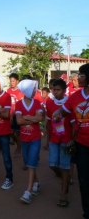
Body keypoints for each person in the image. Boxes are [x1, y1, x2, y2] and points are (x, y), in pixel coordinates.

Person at [54, 63, 89, 218]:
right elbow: (63, 111)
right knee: (84, 180)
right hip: (81, 145)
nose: (77, 78)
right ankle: (87, 212)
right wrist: (57, 113)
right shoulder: (75, 97)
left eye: (81, 75)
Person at [15, 79, 44, 204]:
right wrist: (32, 119)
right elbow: (18, 121)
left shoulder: (37, 103)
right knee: (28, 163)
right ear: (27, 90)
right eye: (33, 89)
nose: (35, 91)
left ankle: (28, 191)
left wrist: (26, 117)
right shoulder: (19, 104)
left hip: (35, 139)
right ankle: (36, 182)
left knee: (31, 163)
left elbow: (40, 117)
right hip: (24, 139)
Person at [45, 79, 72, 207]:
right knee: (52, 164)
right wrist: (47, 139)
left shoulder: (70, 102)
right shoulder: (49, 102)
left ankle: (64, 194)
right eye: (53, 90)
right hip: (54, 139)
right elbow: (49, 122)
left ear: (64, 90)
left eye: (58, 90)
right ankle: (64, 178)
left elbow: (74, 123)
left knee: (65, 166)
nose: (55, 92)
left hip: (66, 139)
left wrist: (72, 139)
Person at [7, 73, 23, 154]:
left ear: (17, 81)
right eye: (10, 81)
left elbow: (21, 105)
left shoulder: (20, 91)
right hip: (10, 115)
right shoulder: (8, 91)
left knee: (17, 132)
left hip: (17, 115)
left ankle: (19, 147)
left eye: (13, 81)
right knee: (11, 132)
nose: (12, 82)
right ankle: (18, 144)